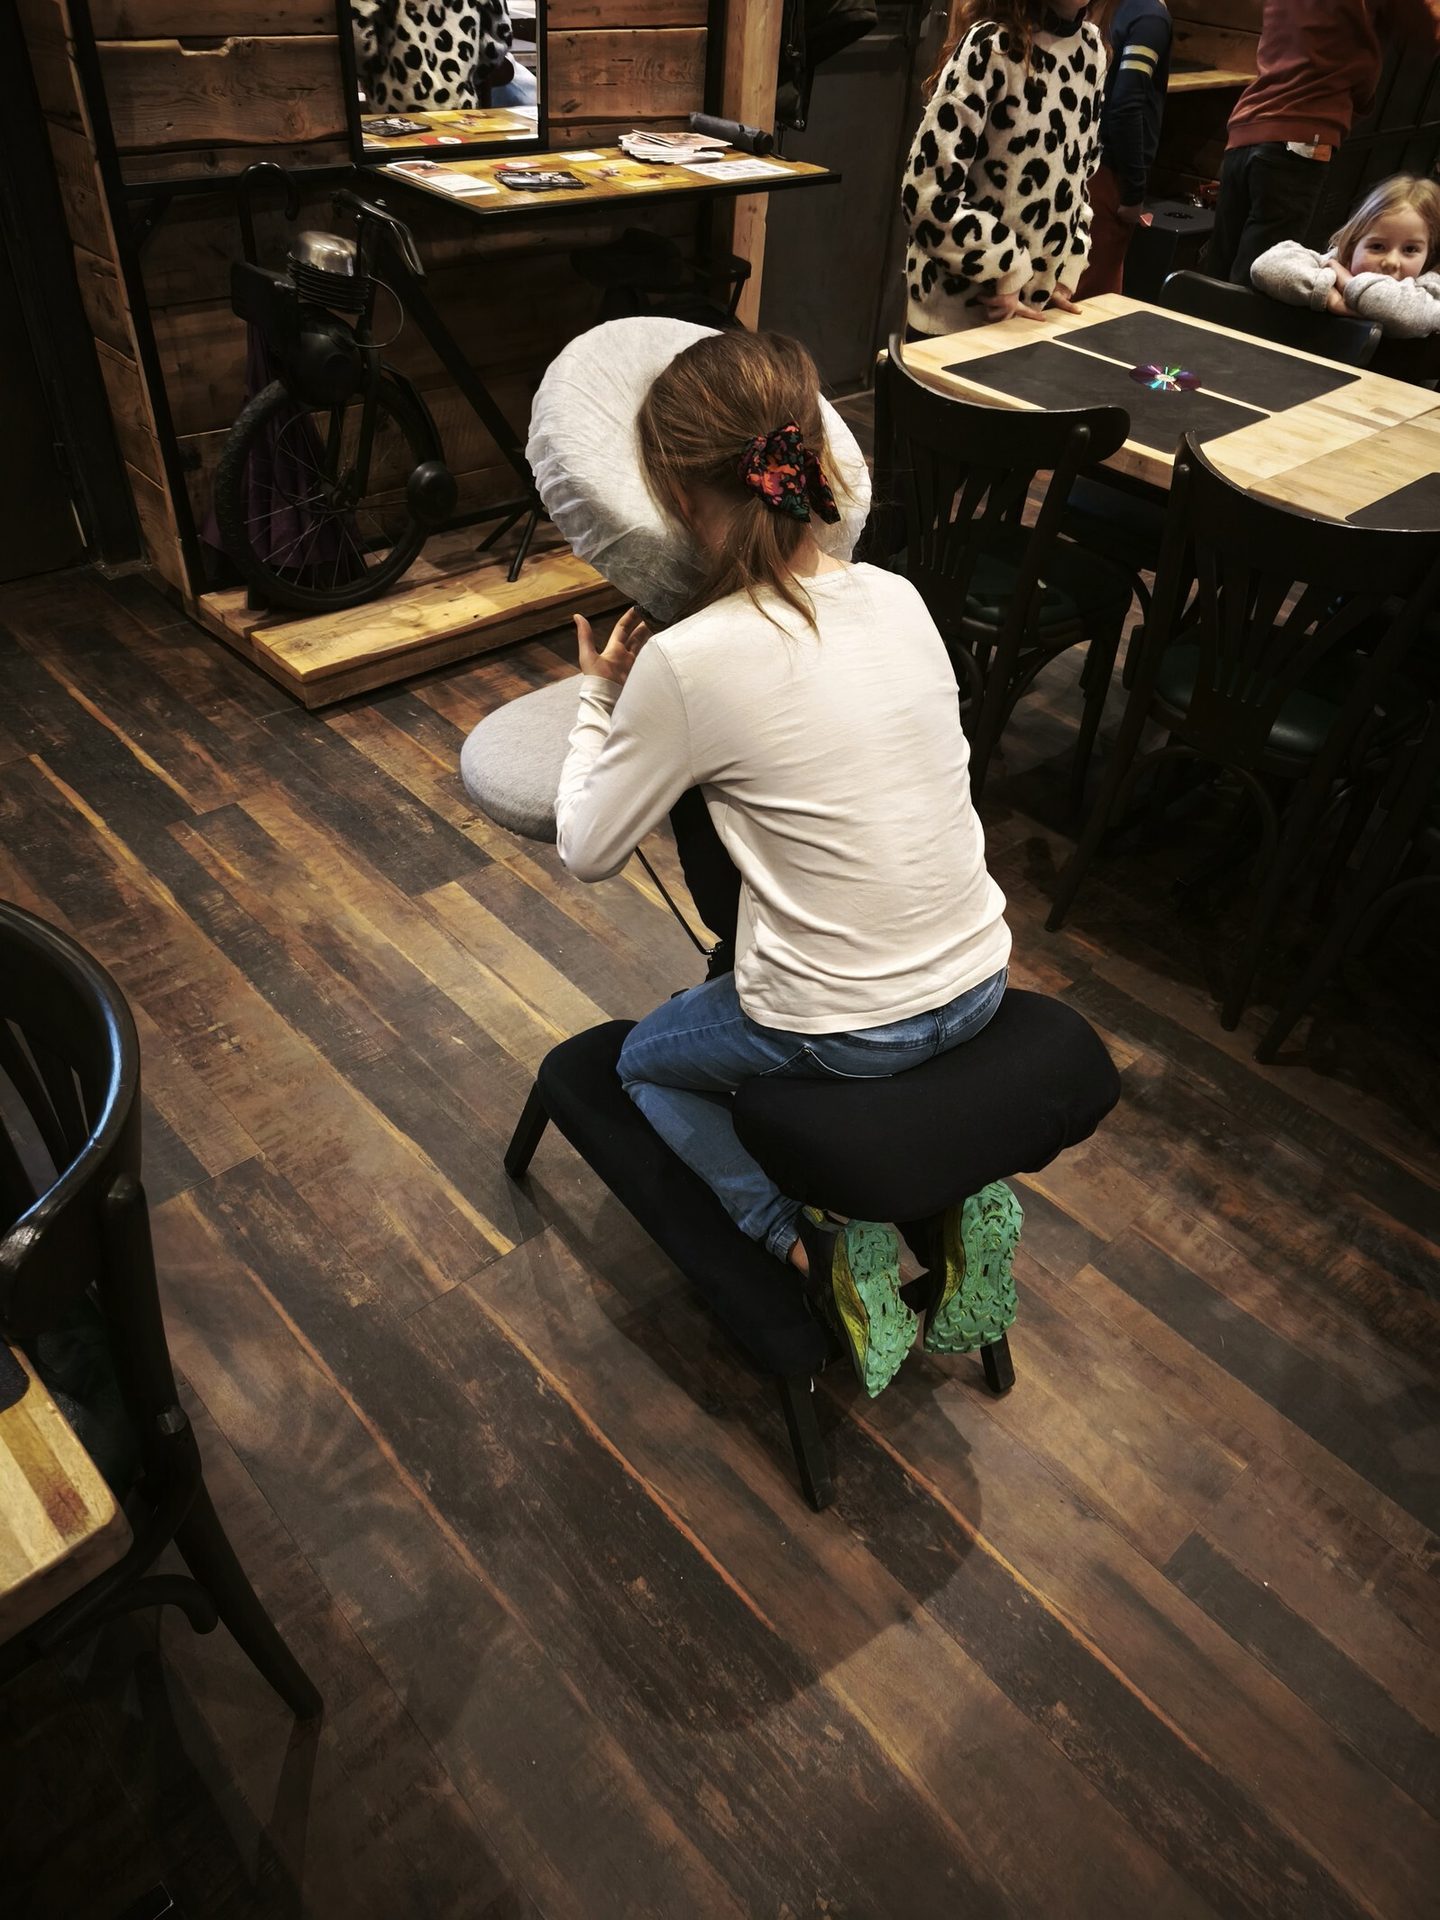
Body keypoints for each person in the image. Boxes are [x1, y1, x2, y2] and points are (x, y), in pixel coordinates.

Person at [554, 331, 1017, 1399]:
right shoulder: (898, 597)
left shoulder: (690, 656)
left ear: (667, 488)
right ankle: (953, 1209)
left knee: (642, 1064)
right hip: (983, 979)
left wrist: (598, 697)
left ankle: (814, 1247)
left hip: (847, 1025)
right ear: (813, 457)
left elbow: (588, 847)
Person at [900, 0, 1106, 337]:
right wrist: (1009, 269)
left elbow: (1081, 176)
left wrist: (1067, 271)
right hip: (956, 318)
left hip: (1034, 316)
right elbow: (926, 195)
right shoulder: (992, 45)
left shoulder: (1091, 49)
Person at [1204, 0, 1437, 289]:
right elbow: (1429, 30)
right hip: (1304, 132)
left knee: (1217, 270)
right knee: (1260, 278)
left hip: (1246, 127)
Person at [1250, 173, 1440, 338]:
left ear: (1429, 254)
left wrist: (1348, 283)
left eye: (1410, 250)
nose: (1391, 261)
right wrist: (1330, 297)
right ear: (1352, 244)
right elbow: (1265, 266)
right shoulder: (1336, 263)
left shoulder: (1430, 293)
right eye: (1377, 246)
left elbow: (1405, 316)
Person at [1076, 0, 1173, 299]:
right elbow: (1126, 105)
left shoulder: (1115, 8)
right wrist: (1134, 190)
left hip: (1084, 164)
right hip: (1108, 175)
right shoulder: (1149, 17)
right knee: (1092, 304)